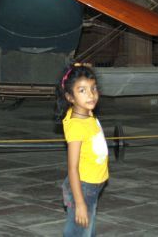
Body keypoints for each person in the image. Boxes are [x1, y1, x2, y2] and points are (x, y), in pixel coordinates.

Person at [55, 63, 109, 237]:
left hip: (92, 185)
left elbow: (80, 83)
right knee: (78, 231)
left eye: (93, 88)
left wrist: (81, 67)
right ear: (70, 97)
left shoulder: (85, 111)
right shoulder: (77, 126)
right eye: (82, 90)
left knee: (87, 230)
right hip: (83, 187)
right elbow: (72, 168)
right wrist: (79, 203)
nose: (91, 95)